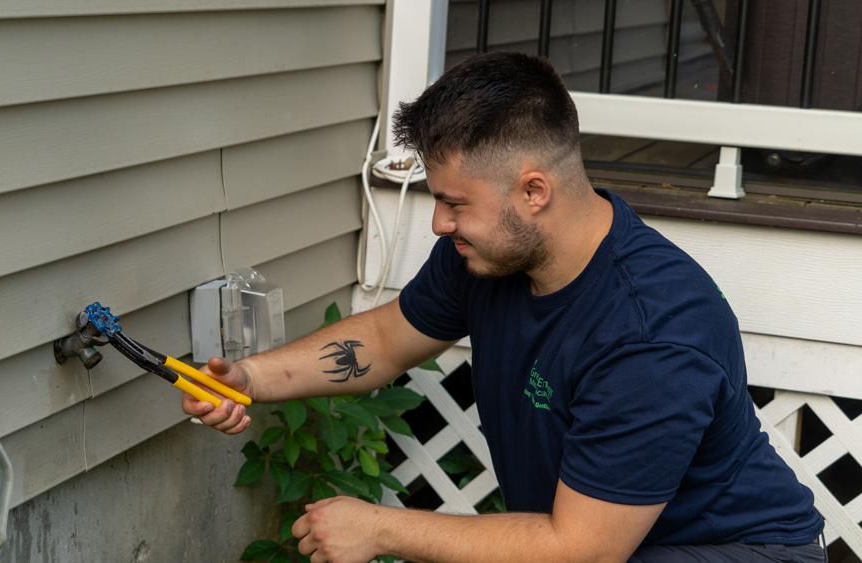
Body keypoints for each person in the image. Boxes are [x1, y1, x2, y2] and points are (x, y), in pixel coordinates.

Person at [183, 52, 826, 563]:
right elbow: (384, 339)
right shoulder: (486, 254)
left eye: (454, 203)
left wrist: (380, 529)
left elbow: (579, 551)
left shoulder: (651, 334)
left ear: (534, 191)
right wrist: (249, 379)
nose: (439, 223)